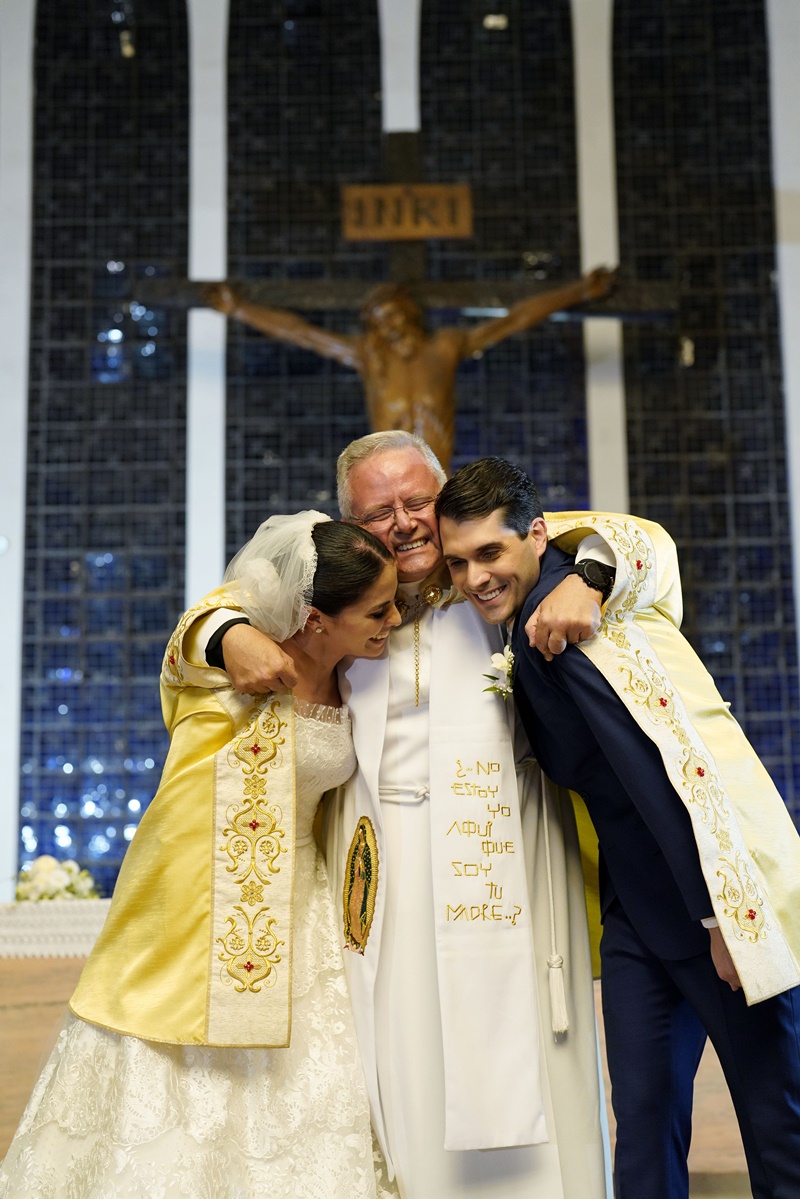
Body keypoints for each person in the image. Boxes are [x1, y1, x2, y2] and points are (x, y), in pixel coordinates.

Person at [194, 430, 674, 1199]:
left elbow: (640, 544)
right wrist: (232, 633)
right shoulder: (334, 601)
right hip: (384, 871)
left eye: (418, 500)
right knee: (403, 1049)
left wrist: (586, 577)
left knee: (532, 1060)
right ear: (349, 526)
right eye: (379, 511)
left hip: (509, 859)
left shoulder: (495, 579)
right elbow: (210, 618)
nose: (405, 522)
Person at [0, 513, 402, 1199]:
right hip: (195, 906)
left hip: (303, 912)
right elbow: (195, 630)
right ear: (314, 620)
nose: (395, 618)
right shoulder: (230, 666)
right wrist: (233, 634)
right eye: (377, 608)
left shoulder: (363, 677)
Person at [436, 456, 800, 1199]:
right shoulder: (541, 611)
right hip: (636, 917)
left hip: (712, 912)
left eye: (489, 553)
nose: (474, 577)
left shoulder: (567, 630)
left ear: (537, 536)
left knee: (779, 1121)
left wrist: (720, 916)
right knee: (639, 1123)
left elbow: (657, 773)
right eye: (457, 561)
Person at [204, 268, 616, 472]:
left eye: (394, 316)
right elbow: (304, 335)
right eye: (380, 323)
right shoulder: (370, 357)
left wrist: (578, 290)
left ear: (410, 312)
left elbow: (514, 319)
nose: (390, 328)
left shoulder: (446, 347)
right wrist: (239, 309)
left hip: (441, 482)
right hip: (385, 486)